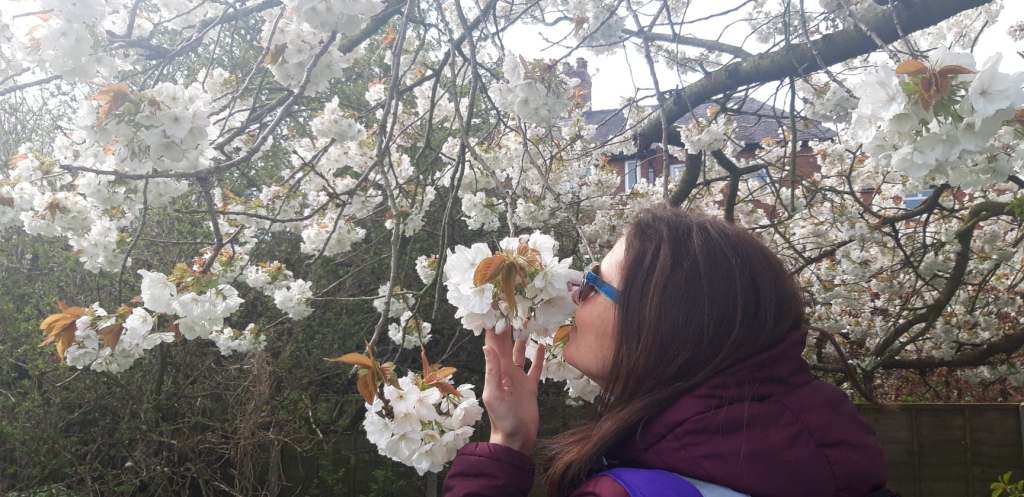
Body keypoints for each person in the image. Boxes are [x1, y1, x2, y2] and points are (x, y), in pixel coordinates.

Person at [442, 207, 889, 497]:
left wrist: (504, 450)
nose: (574, 292)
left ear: (659, 323)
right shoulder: (826, 459)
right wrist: (513, 436)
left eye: (595, 284)